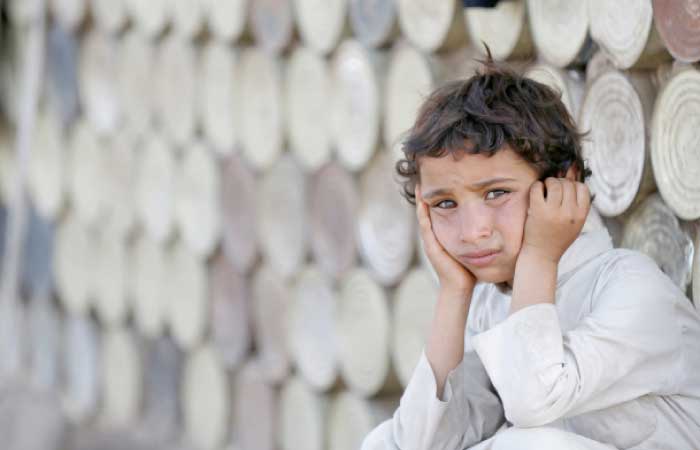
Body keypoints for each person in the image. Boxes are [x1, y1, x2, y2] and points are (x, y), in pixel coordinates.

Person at [361, 54, 700, 450]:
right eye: (445, 204)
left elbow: (532, 403)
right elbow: (423, 441)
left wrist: (539, 256)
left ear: (561, 182)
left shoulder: (629, 286)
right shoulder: (490, 302)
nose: (474, 231)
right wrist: (454, 292)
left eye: (497, 193)